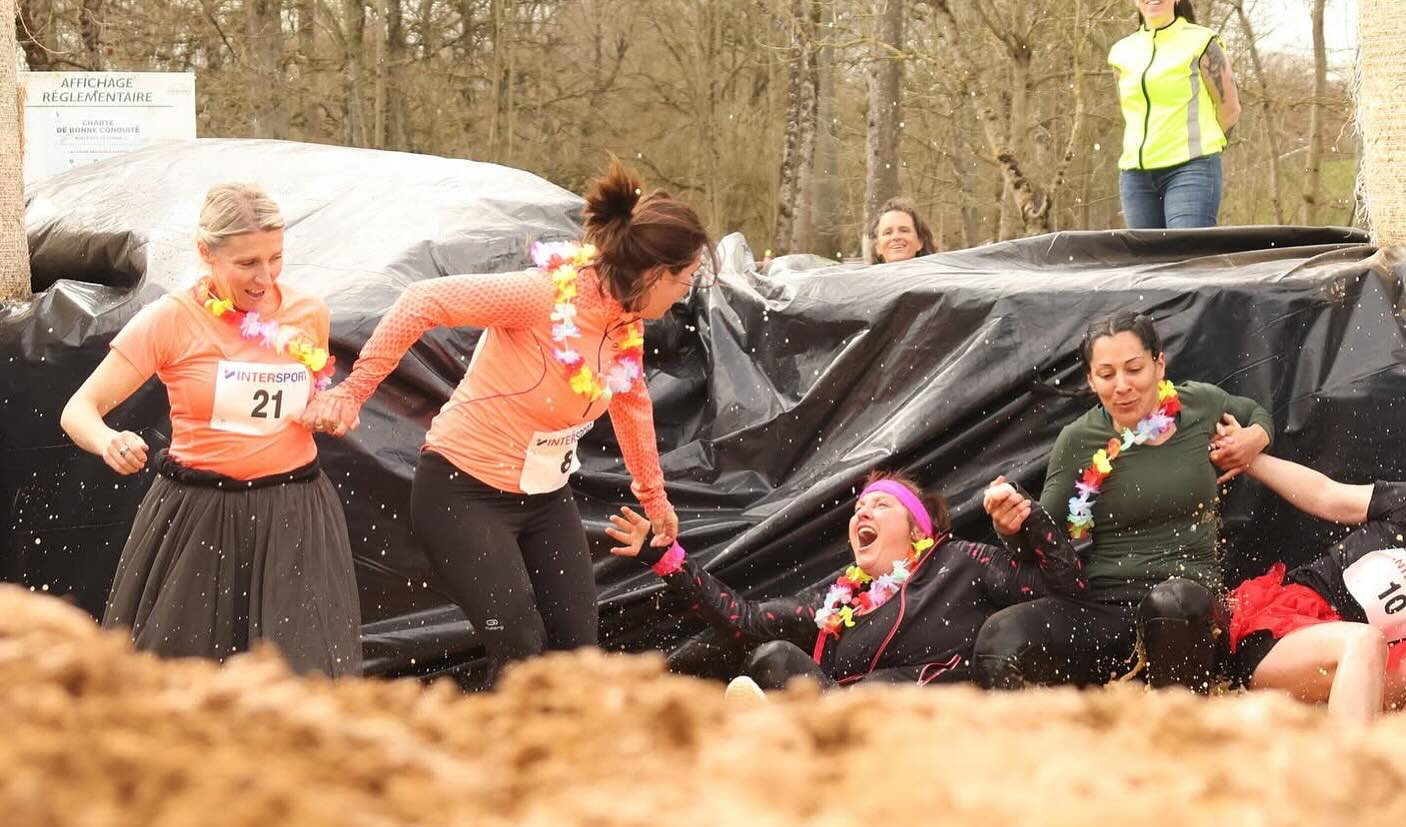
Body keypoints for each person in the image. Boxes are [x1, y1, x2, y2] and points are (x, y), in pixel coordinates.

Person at [302, 159, 710, 689]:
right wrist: (354, 391)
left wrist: (656, 501)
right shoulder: (545, 296)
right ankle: (502, 761)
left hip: (543, 498)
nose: (689, 288)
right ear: (654, 273)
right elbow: (422, 301)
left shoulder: (624, 324)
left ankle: (562, 761)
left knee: (578, 649)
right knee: (516, 640)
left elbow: (631, 405)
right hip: (462, 494)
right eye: (686, 276)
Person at [59, 183, 362, 675]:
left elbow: (317, 399)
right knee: (180, 678)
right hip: (200, 514)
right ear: (206, 253)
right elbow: (80, 409)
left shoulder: (308, 312)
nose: (265, 278)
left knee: (302, 676)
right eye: (247, 264)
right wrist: (108, 441)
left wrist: (331, 409)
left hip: (294, 511)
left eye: (275, 258)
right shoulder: (170, 320)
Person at [973, 310, 1273, 691]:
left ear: (1159, 364)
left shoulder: (1200, 405)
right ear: (1090, 380)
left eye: (1134, 369)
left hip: (1189, 605)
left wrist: (1255, 438)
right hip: (1107, 606)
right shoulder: (1079, 439)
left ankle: (1179, 735)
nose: (1122, 386)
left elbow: (1258, 413)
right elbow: (1044, 538)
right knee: (1000, 638)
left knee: (1172, 603)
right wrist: (1009, 524)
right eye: (1107, 374)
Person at [605, 470, 1085, 689]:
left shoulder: (961, 561)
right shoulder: (839, 598)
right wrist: (668, 558)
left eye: (881, 505)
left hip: (918, 723)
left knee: (773, 661)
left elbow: (1063, 588)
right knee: (757, 651)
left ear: (919, 529)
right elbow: (745, 620)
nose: (863, 513)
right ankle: (636, 698)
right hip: (838, 718)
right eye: (859, 508)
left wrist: (1028, 523)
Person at [1226, 450, 1406, 724]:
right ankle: (1350, 762)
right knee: (1364, 641)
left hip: (1369, 673)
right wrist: (1249, 460)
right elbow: (1323, 494)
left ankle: (1391, 757)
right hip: (1288, 635)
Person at [1109, 0, 1241, 229]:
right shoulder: (1121, 52)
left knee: (1185, 264)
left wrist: (1207, 149)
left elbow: (1230, 109)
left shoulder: (1203, 41)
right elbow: (1131, 113)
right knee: (1146, 268)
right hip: (1136, 177)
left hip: (1191, 169)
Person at [867, 198, 934, 264]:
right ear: (877, 247)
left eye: (904, 231)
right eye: (887, 233)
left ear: (920, 242)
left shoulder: (941, 272)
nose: (896, 237)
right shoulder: (863, 274)